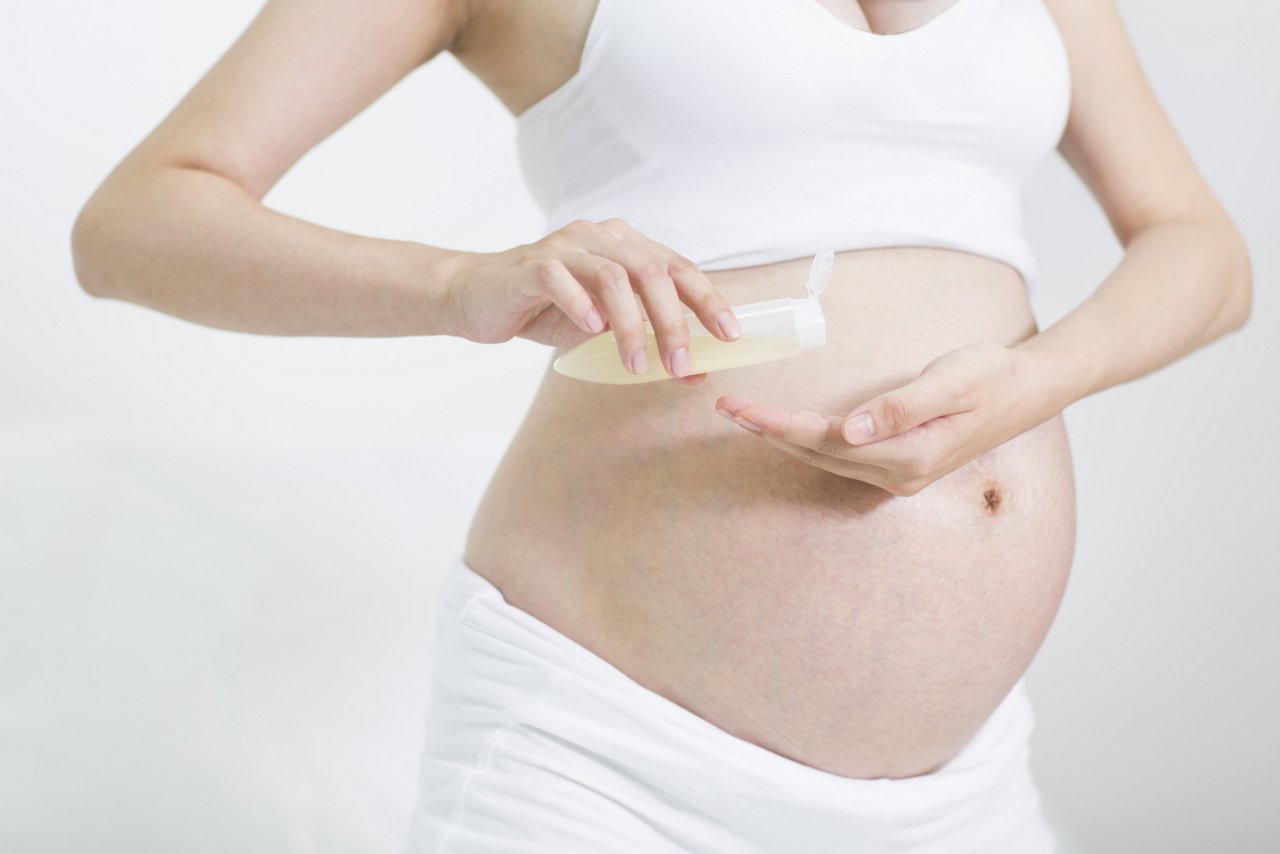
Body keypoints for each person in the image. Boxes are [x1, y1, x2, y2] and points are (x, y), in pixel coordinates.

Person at [70, 0, 1252, 850]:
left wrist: (1038, 378)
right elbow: (133, 225)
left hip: (963, 780)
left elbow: (1200, 248)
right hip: (602, 757)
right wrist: (458, 283)